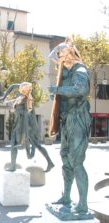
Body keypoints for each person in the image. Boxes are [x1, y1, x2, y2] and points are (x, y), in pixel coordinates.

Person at [48, 37, 91, 214]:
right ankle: (66, 196)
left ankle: (83, 204)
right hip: (66, 120)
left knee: (77, 162)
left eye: (65, 58)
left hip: (78, 119)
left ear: (72, 55)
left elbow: (80, 90)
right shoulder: (66, 73)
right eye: (61, 59)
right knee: (66, 159)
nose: (62, 62)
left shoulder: (80, 70)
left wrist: (58, 90)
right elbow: (51, 56)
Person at [0, 82, 55, 172]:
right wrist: (4, 97)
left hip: (27, 126)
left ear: (25, 91)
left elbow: (27, 115)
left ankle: (50, 162)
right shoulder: (21, 92)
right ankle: (13, 166)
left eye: (22, 89)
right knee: (13, 143)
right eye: (20, 88)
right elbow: (13, 86)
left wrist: (26, 134)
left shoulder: (28, 100)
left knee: (36, 144)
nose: (19, 89)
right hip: (18, 123)